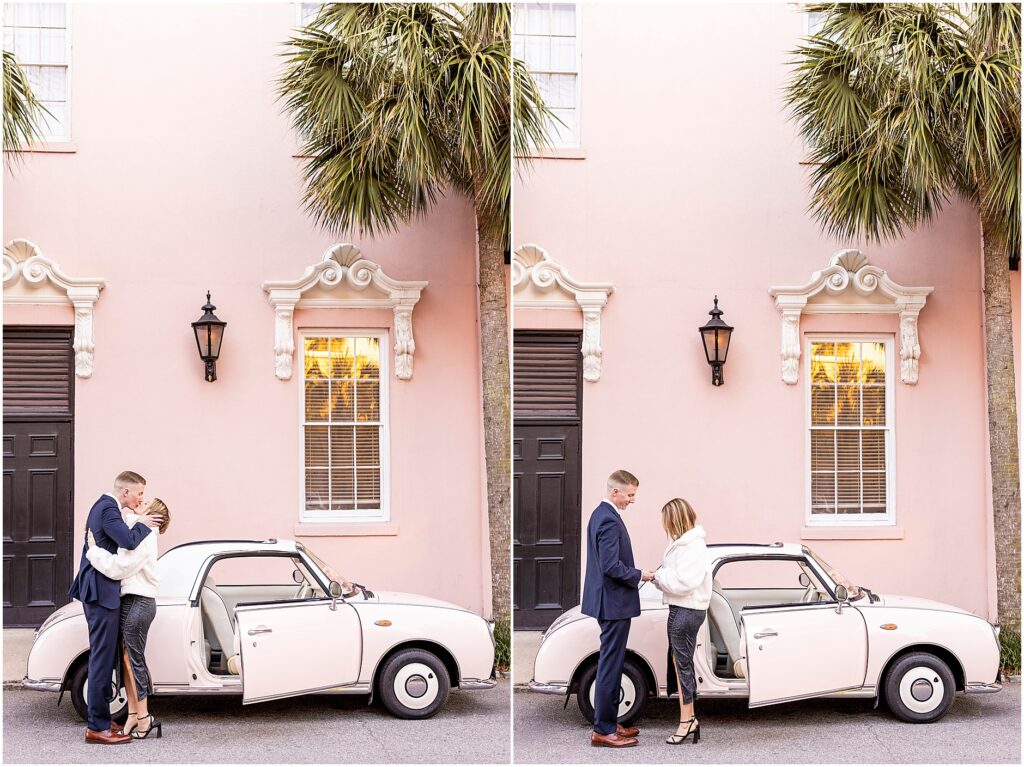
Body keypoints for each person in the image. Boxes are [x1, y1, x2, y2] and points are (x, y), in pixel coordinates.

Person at [67, 471, 161, 745]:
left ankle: (103, 721)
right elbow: (130, 541)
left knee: (105, 657)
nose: (141, 498)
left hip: (102, 592)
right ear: (126, 493)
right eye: (140, 493)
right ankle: (97, 727)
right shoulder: (108, 509)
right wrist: (144, 523)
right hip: (100, 593)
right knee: (102, 658)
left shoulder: (105, 507)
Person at [580, 470, 655, 748]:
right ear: (616, 492)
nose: (632, 501)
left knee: (612, 663)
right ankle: (603, 730)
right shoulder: (609, 520)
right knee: (610, 666)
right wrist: (640, 575)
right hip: (613, 605)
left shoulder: (601, 515)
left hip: (609, 603)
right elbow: (611, 566)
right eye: (630, 495)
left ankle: (610, 723)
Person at [86, 498, 170, 740]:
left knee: (133, 660)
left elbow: (120, 567)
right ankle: (133, 714)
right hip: (130, 601)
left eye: (146, 502)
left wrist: (92, 551)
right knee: (124, 658)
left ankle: (144, 718)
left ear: (152, 515)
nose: (140, 501)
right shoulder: (136, 530)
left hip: (139, 602)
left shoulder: (144, 535)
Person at [652, 498, 712, 745]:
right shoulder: (683, 543)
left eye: (667, 521)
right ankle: (689, 718)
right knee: (680, 664)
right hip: (680, 608)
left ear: (675, 519)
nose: (665, 526)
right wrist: (660, 576)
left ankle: (687, 721)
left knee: (682, 665)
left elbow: (684, 581)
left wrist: (657, 576)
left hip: (687, 610)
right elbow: (675, 577)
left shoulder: (693, 546)